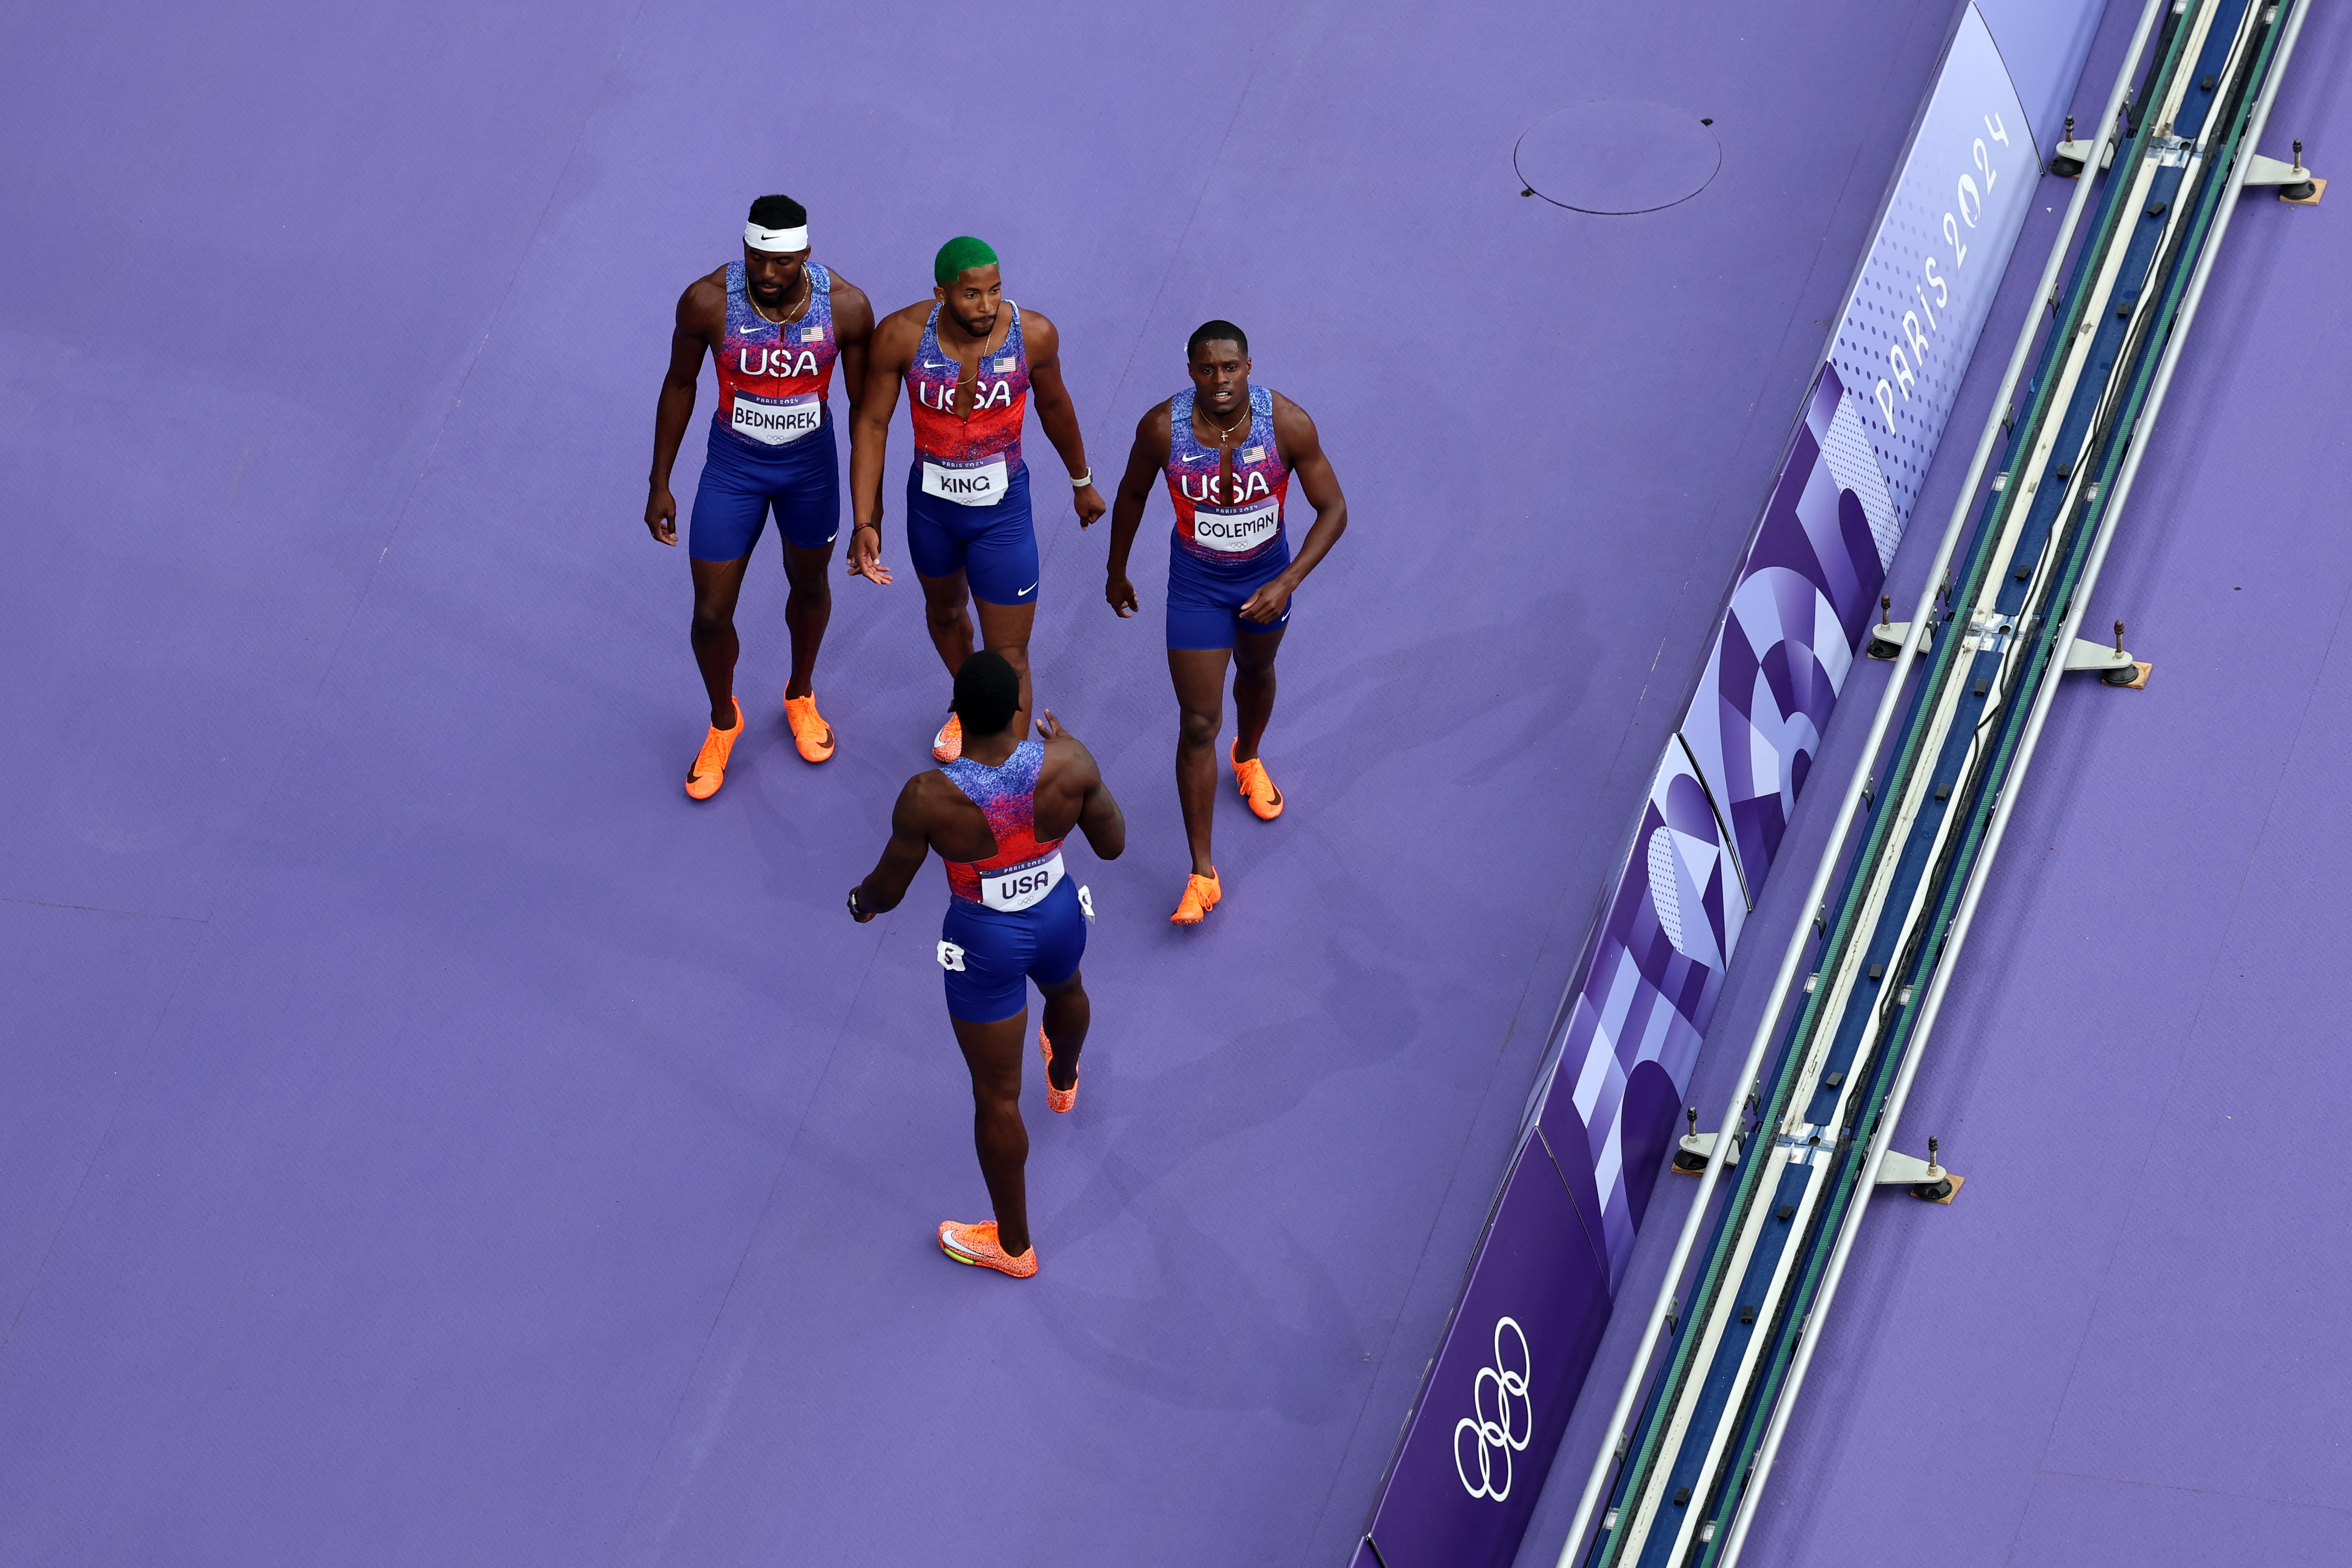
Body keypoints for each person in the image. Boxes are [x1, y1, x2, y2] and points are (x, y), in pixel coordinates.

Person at [848, 651, 1126, 1278]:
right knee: (1069, 988)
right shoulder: (1070, 763)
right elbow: (1113, 846)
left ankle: (1015, 1246)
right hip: (1057, 917)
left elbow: (887, 889)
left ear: (957, 716)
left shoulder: (926, 796)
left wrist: (860, 904)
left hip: (985, 941)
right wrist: (1083, 765)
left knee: (996, 1096)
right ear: (1018, 711)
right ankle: (1062, 1076)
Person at [1101, 321, 1347, 923]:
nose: (1219, 380)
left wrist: (1284, 582)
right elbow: (1131, 494)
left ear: (1248, 366)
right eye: (1207, 369)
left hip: (1266, 579)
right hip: (1197, 585)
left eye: (1230, 368)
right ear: (1190, 371)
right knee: (1197, 722)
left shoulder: (1286, 423)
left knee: (1257, 673)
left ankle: (1249, 756)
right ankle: (1202, 872)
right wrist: (1117, 570)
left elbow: (1333, 509)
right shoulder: (1161, 428)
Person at [645, 194, 875, 799]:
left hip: (810, 473)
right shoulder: (707, 301)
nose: (767, 275)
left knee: (809, 585)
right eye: (755, 260)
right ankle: (724, 720)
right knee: (709, 615)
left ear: (804, 253)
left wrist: (864, 514)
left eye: (781, 264)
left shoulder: (847, 308)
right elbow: (679, 383)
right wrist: (659, 480)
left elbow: (864, 417)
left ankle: (800, 693)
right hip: (733, 469)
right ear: (743, 248)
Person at [846, 237, 1105, 762]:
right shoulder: (899, 336)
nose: (986, 306)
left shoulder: (1032, 335)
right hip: (931, 512)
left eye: (994, 291)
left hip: (1002, 518)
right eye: (970, 295)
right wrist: (863, 520)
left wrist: (1082, 482)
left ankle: (1005, 777)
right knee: (943, 614)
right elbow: (872, 424)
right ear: (940, 294)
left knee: (1009, 657)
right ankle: (971, 707)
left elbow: (1055, 407)